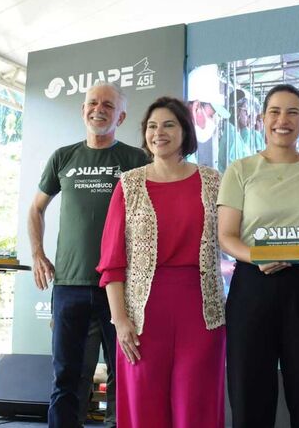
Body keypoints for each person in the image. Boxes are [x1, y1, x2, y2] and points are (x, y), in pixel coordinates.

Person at [98, 96, 226, 427]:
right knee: (144, 408)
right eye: (152, 126)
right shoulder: (129, 184)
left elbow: (233, 236)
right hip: (142, 317)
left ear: (185, 131)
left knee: (194, 407)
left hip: (201, 313)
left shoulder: (213, 181)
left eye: (169, 124)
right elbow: (112, 263)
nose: (159, 132)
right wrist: (120, 321)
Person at [28, 83, 150, 428]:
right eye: (92, 103)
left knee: (124, 377)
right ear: (83, 110)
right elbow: (36, 209)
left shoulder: (135, 160)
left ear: (121, 116)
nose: (99, 109)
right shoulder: (63, 157)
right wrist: (38, 253)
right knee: (66, 378)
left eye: (108, 106)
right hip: (69, 284)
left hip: (121, 288)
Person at [218, 84, 299, 428]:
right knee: (249, 394)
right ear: (262, 118)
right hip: (253, 285)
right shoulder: (241, 169)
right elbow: (226, 236)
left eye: (292, 112)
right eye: (275, 112)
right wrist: (255, 256)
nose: (283, 120)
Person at [219, 88, 265, 172]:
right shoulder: (232, 137)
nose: (247, 115)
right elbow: (234, 171)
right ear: (236, 111)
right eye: (245, 111)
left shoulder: (236, 135)